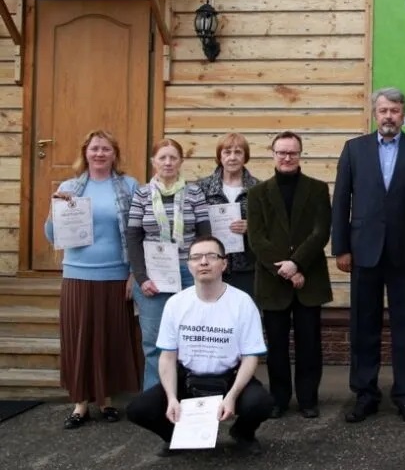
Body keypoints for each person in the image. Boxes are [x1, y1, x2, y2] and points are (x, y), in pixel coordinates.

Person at [331, 87, 405, 424]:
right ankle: (365, 394)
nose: (389, 116)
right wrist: (341, 247)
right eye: (383, 110)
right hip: (363, 250)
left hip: (404, 251)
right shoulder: (354, 149)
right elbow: (341, 201)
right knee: (364, 325)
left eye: (394, 110)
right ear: (374, 113)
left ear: (403, 113)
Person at [126, 236, 273, 457]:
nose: (203, 262)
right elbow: (167, 356)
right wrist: (172, 398)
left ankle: (243, 433)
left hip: (228, 378)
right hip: (188, 379)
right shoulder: (176, 304)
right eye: (196, 257)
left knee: (261, 403)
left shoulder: (243, 303)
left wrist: (232, 396)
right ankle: (177, 437)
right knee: (139, 409)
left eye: (211, 256)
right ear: (189, 265)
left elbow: (250, 357)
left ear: (224, 264)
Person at [44, 129, 142, 429]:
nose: (99, 153)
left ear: (115, 154)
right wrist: (55, 210)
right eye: (95, 148)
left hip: (116, 275)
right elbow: (52, 235)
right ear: (85, 153)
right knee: (80, 339)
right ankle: (80, 404)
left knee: (110, 338)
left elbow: (137, 233)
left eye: (106, 149)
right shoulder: (70, 187)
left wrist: (133, 274)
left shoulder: (129, 186)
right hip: (77, 275)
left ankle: (106, 400)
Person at [247, 131, 332, 419]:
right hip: (273, 281)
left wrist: (296, 264)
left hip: (309, 278)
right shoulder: (257, 193)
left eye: (292, 152)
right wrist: (283, 269)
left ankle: (308, 399)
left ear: (300, 154)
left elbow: (320, 232)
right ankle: (279, 399)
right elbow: (257, 238)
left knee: (310, 344)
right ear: (273, 154)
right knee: (277, 346)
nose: (287, 157)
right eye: (281, 152)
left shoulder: (317, 189)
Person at [127, 138, 211, 390]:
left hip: (189, 274)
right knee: (155, 342)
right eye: (162, 157)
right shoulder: (141, 194)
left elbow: (205, 236)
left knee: (192, 339)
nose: (168, 162)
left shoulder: (195, 193)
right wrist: (141, 278)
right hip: (154, 277)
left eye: (173, 157)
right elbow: (133, 238)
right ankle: (156, 397)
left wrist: (202, 273)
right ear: (153, 162)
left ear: (181, 161)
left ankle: (190, 396)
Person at [197, 133, 259, 297]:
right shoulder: (202, 188)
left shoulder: (258, 189)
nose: (232, 157)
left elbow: (271, 226)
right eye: (227, 152)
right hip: (210, 265)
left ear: (245, 156)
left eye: (238, 152)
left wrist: (251, 227)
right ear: (220, 156)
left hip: (247, 268)